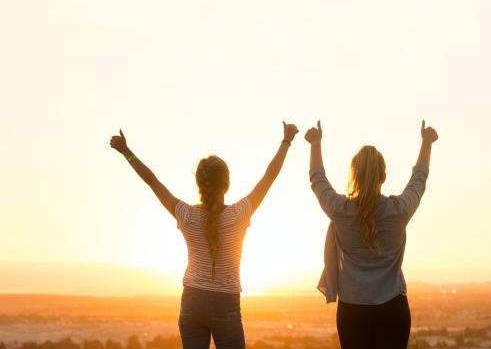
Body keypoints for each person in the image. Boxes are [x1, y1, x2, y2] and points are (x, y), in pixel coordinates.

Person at [110, 122, 299, 349]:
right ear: (227, 184)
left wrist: (126, 152)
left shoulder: (186, 215)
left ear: (198, 183)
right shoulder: (238, 215)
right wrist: (286, 141)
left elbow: (152, 181)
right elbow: (269, 177)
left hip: (192, 302)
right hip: (225, 304)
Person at [304, 120, 438, 348]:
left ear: (354, 175)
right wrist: (426, 142)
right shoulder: (399, 210)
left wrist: (315, 144)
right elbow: (419, 180)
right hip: (393, 309)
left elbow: (318, 180)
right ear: (383, 176)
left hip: (352, 311)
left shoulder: (340, 210)